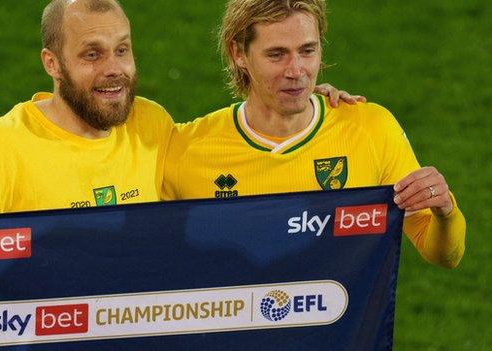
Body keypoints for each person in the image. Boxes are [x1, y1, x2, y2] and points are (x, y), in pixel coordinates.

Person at [0, 0, 359, 248]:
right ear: (52, 63)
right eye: (91, 54)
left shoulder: (151, 124)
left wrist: (298, 98)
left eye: (122, 50)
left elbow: (233, 156)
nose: (113, 69)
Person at [161, 0, 466, 268]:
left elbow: (443, 254)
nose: (296, 70)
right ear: (238, 52)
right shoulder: (187, 149)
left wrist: (445, 212)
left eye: (307, 51)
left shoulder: (371, 129)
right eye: (277, 55)